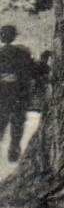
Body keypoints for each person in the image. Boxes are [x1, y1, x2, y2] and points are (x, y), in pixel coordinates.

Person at [0, 24, 34, 163]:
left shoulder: (1, 53)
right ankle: (14, 150)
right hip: (19, 93)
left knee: (2, 121)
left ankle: (13, 149)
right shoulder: (23, 53)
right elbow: (30, 71)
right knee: (17, 122)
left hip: (3, 93)